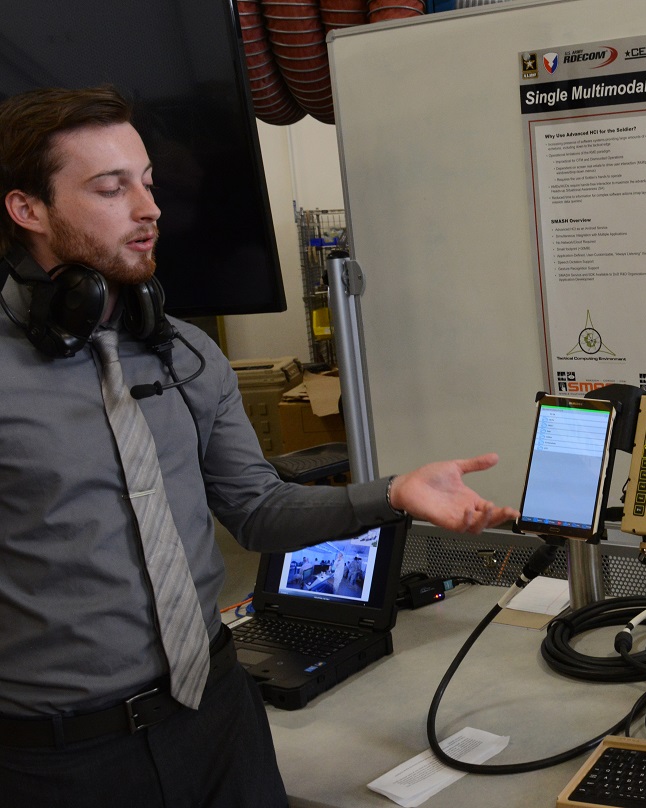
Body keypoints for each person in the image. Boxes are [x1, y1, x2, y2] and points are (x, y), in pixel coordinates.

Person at [0, 85, 520, 807]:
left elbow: (257, 511)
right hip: (58, 763)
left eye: (146, 183)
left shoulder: (185, 355)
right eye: (110, 189)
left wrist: (391, 493)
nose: (148, 208)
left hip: (216, 720)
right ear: (28, 209)